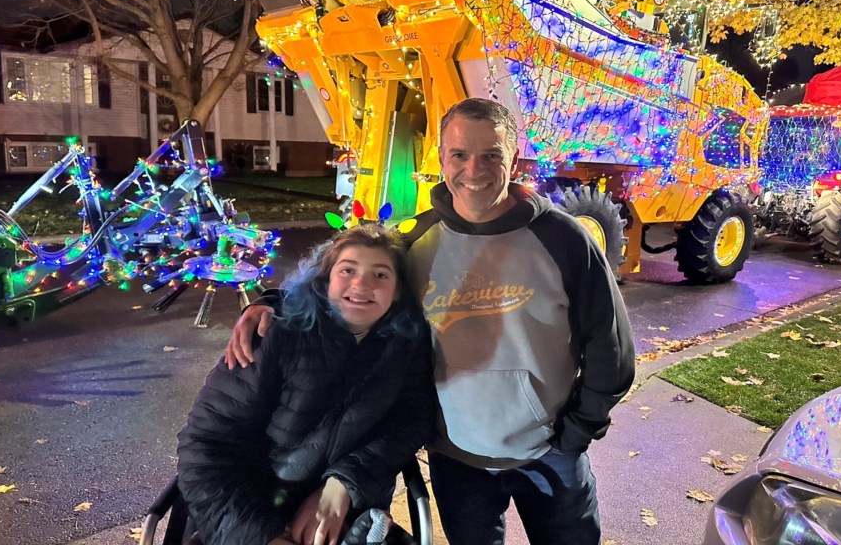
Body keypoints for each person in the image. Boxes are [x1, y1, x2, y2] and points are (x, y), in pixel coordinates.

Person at [228, 98, 636, 545]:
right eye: (459, 154)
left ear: (514, 159)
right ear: (441, 157)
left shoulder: (564, 239)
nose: (474, 170)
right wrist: (270, 302)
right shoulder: (417, 239)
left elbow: (610, 347)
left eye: (491, 155)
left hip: (551, 454)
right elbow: (344, 280)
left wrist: (576, 433)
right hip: (456, 459)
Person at [178, 224, 435, 545]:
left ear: (397, 290)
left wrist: (342, 486)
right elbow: (207, 446)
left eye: (380, 275)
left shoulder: (406, 347)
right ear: (326, 280)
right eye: (347, 270)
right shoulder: (272, 337)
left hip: (350, 507)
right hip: (247, 506)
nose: (361, 284)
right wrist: (260, 536)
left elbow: (410, 422)